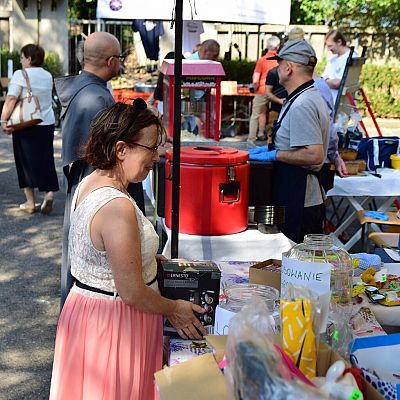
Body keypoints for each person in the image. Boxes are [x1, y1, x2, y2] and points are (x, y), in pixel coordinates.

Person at [49, 100, 207, 400]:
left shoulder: (90, 181)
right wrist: (176, 310)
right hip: (116, 322)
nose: (158, 156)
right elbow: (131, 291)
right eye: (151, 147)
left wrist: (145, 258)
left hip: (90, 314)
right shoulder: (116, 206)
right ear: (122, 149)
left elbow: (102, 254)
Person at [55, 32, 125, 309]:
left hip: (83, 187)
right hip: (96, 193)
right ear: (110, 61)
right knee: (90, 270)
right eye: (119, 59)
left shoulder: (87, 91)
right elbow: (108, 158)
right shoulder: (95, 98)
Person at [249, 40, 330, 243]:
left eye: (279, 63)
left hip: (301, 201)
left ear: (289, 67)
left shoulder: (303, 103)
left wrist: (274, 154)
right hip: (293, 195)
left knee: (297, 262)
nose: (277, 69)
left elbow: (314, 155)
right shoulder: (300, 97)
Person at [1, 44, 59, 214]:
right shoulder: (48, 75)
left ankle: (30, 202)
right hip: (46, 122)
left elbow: (11, 99)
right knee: (45, 159)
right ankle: (48, 194)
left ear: (29, 58)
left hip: (26, 123)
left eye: (22, 57)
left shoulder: (21, 74)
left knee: (25, 162)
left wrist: (4, 120)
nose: (20, 60)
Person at [248, 36, 280, 143]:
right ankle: (264, 135)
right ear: (278, 47)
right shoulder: (280, 61)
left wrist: (256, 89)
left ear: (266, 47)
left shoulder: (262, 60)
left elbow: (255, 79)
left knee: (256, 114)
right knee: (273, 114)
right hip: (277, 92)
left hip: (262, 90)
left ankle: (251, 139)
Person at [322, 29, 354, 104]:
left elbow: (337, 83)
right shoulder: (333, 59)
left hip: (338, 103)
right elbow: (323, 78)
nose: (328, 49)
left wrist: (326, 80)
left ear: (339, 42)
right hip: (327, 101)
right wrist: (328, 81)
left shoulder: (350, 58)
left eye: (330, 46)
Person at [265, 66, 288, 144]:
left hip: (291, 107)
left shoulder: (295, 72)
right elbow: (268, 93)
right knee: (272, 132)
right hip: (276, 108)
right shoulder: (273, 72)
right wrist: (279, 101)